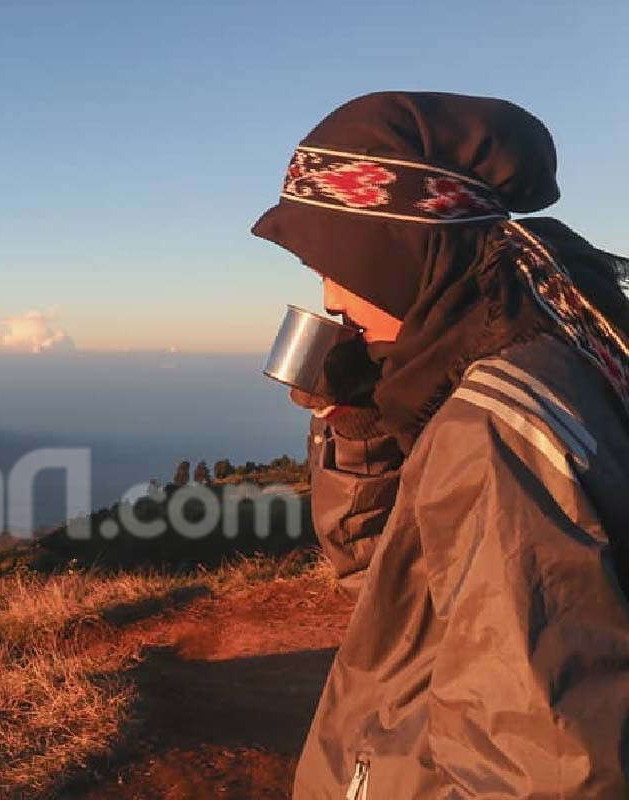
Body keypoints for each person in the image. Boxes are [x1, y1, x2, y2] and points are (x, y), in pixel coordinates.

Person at [251, 92, 629, 799]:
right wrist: (360, 426)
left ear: (401, 250)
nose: (330, 295)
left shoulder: (492, 428)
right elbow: (400, 596)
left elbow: (542, 764)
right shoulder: (560, 339)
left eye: (337, 260)